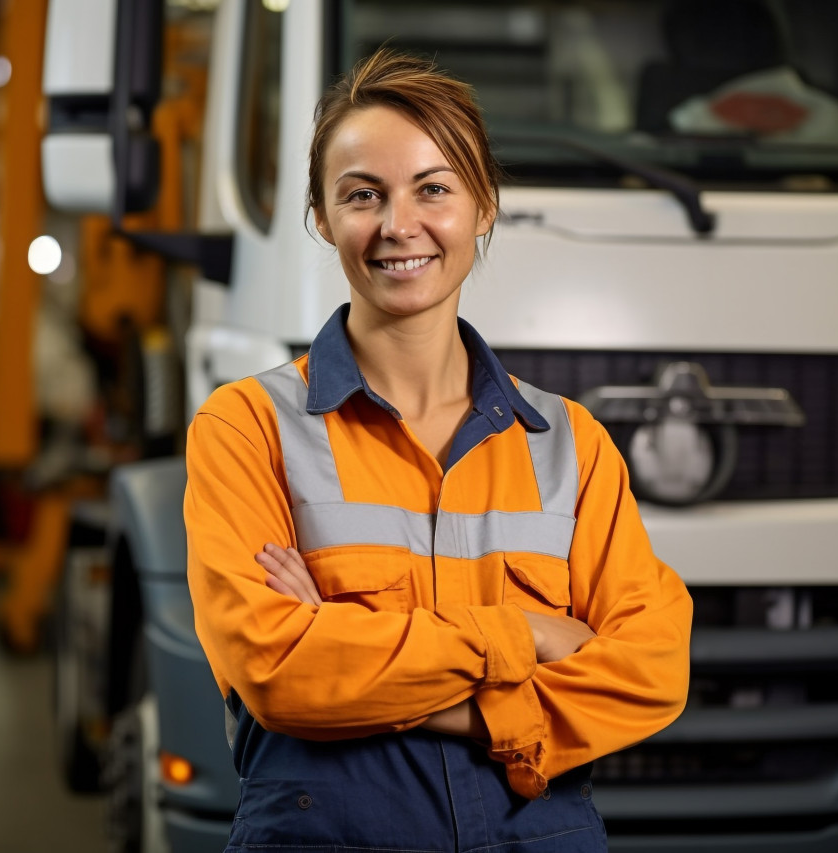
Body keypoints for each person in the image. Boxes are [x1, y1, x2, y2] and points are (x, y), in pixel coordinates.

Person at [185, 48, 693, 853]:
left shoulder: (568, 443)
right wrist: (528, 636)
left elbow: (654, 666)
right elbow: (278, 671)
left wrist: (354, 647)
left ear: (484, 205)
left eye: (433, 188)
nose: (398, 226)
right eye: (362, 195)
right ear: (321, 217)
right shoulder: (248, 427)